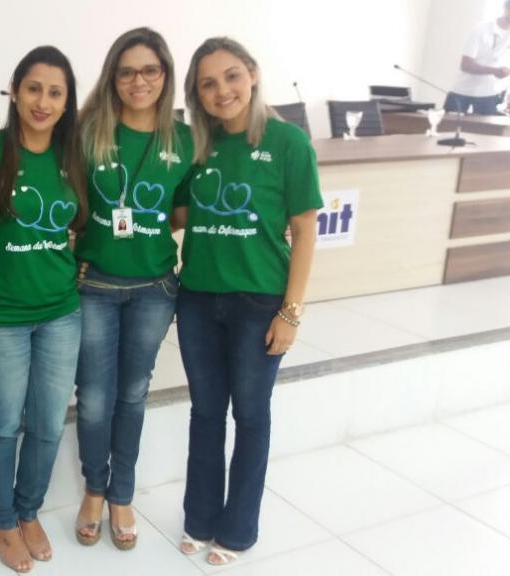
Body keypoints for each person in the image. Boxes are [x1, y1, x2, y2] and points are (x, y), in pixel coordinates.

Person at [176, 37, 322, 566]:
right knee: (205, 413)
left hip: (259, 303)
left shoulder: (288, 142)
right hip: (197, 300)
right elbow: (176, 214)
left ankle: (237, 531)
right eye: (208, 83)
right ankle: (199, 519)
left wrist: (291, 312)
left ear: (253, 74)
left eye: (232, 76)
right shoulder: (196, 145)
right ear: (196, 93)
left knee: (251, 415)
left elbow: (305, 230)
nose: (222, 91)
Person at [0, 46, 86, 573]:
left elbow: (78, 226)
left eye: (55, 93)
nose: (42, 101)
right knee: (4, 422)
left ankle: (28, 509)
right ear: (14, 91)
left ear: (67, 102)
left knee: (50, 423)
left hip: (60, 312)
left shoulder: (72, 156)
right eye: (33, 88)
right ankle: (1, 517)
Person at [72, 27, 192, 551]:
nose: (138, 81)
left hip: (154, 287)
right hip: (94, 284)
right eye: (126, 72)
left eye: (149, 70)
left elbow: (183, 209)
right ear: (112, 78)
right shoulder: (87, 132)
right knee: (94, 399)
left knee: (133, 393)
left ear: (165, 75)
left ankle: (122, 493)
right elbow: (68, 202)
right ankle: (94, 488)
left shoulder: (184, 139)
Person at [445, 0, 510, 115]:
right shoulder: (481, 28)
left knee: (486, 127)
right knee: (448, 125)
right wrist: (494, 71)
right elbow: (465, 65)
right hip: (461, 92)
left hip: (489, 96)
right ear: (506, 8)